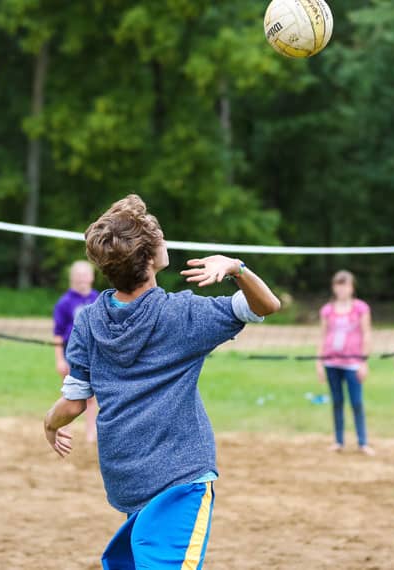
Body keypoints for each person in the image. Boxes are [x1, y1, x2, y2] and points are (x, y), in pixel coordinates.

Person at [42, 194, 281, 569]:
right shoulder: (181, 314)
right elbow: (266, 306)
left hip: (128, 478)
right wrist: (236, 268)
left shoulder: (89, 320)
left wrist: (49, 423)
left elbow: (73, 403)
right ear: (150, 259)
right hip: (180, 479)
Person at [316, 270, 374, 455]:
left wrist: (364, 362)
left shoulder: (361, 308)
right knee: (337, 402)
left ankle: (362, 442)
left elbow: (367, 334)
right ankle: (339, 441)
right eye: (338, 285)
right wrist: (319, 362)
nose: (342, 289)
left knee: (356, 402)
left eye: (345, 285)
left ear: (352, 287)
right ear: (334, 287)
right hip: (332, 362)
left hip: (353, 363)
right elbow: (322, 336)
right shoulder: (327, 310)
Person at [52, 260, 99, 442]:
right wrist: (59, 360)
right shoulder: (64, 302)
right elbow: (57, 334)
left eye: (85, 275)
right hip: (70, 354)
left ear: (92, 277)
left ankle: (90, 433)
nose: (82, 279)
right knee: (70, 395)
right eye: (78, 275)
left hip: (93, 355)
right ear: (72, 278)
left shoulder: (98, 299)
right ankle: (65, 431)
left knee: (90, 397)